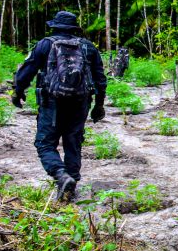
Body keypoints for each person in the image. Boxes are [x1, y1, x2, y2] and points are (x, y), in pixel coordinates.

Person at [11, 11, 107, 202]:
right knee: (73, 142)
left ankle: (61, 176)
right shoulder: (88, 47)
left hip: (52, 102)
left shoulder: (45, 44)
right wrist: (99, 105)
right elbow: (100, 79)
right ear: (74, 28)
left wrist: (18, 92)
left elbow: (27, 71)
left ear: (54, 27)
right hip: (81, 102)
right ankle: (70, 188)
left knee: (45, 143)